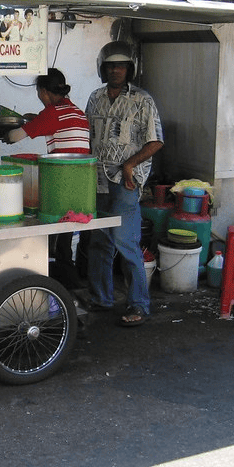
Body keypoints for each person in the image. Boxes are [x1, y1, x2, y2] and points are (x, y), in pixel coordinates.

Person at [85, 42, 163, 326]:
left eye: (121, 66)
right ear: (102, 69)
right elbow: (88, 135)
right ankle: (101, 297)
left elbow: (156, 140)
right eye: (111, 66)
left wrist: (130, 165)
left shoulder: (143, 100)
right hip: (96, 179)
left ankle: (139, 304)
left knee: (126, 243)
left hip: (125, 182)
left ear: (130, 69)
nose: (116, 70)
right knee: (99, 242)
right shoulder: (95, 98)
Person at [6, 68, 90, 285]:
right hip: (82, 187)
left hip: (61, 184)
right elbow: (58, 128)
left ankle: (52, 280)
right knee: (65, 238)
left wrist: (9, 130)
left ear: (43, 92)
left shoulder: (52, 114)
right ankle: (68, 281)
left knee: (51, 235)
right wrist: (34, 120)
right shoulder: (76, 112)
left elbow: (15, 136)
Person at [5, 68, 90, 154]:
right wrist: (36, 119)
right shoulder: (79, 113)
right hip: (84, 165)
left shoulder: (52, 113)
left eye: (38, 92)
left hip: (65, 166)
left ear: (44, 91)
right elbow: (57, 125)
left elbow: (13, 137)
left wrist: (1, 132)